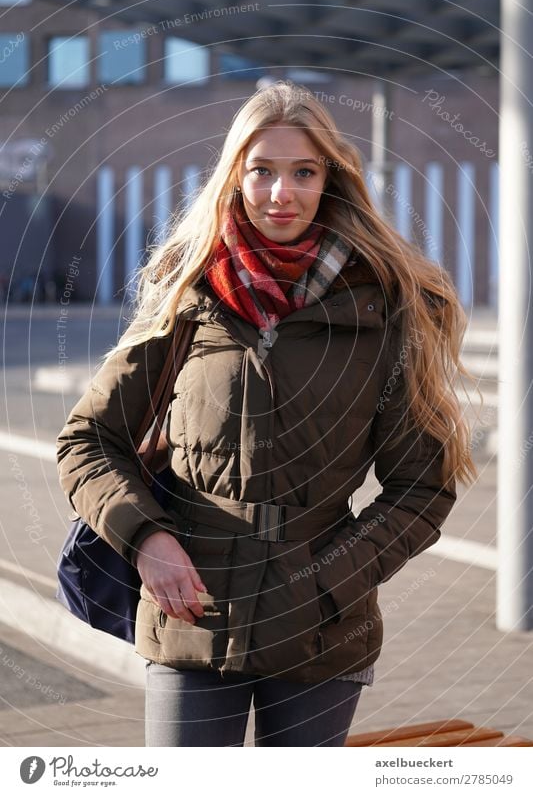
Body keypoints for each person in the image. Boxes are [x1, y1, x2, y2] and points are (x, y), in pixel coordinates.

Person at [56, 80, 477, 747]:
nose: (281, 193)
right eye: (262, 171)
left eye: (302, 172)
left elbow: (423, 485)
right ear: (235, 177)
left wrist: (334, 579)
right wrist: (148, 540)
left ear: (328, 180)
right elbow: (87, 438)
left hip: (321, 630)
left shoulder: (385, 307)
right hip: (188, 618)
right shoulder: (186, 290)